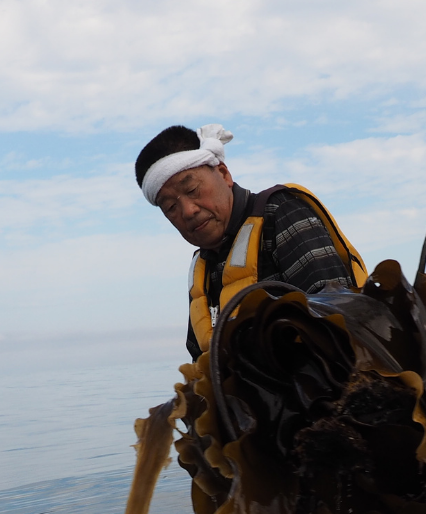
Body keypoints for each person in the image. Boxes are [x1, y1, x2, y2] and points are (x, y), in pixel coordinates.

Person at [134, 124, 368, 358]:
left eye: (193, 189)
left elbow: (335, 317)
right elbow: (200, 360)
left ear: (224, 174)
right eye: (170, 207)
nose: (188, 211)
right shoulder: (202, 271)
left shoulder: (280, 211)